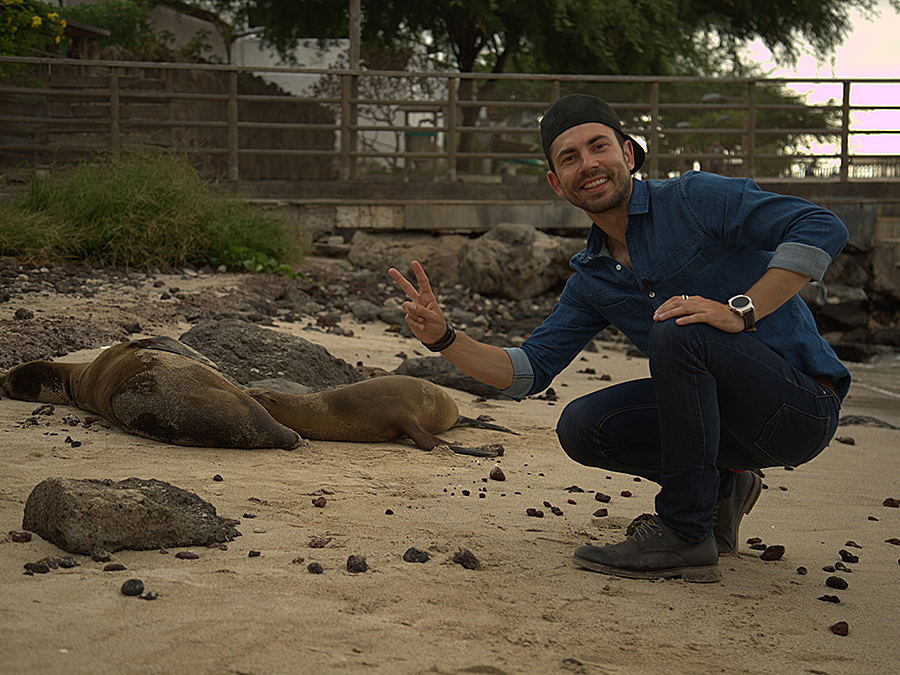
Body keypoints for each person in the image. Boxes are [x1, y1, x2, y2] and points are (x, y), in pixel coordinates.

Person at [389, 94, 850, 583]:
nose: (587, 164)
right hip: (727, 431)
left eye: (598, 147)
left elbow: (821, 225)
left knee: (677, 327)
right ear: (556, 183)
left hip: (800, 410)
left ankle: (684, 534)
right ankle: (720, 491)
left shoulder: (694, 199)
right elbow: (528, 371)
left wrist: (743, 310)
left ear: (627, 154)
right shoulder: (592, 279)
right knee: (584, 425)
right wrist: (445, 339)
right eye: (569, 158)